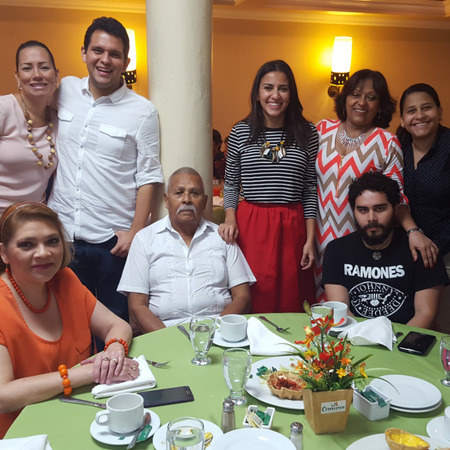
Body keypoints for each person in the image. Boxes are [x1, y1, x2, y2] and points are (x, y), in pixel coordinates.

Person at [48, 17, 163, 322]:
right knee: (67, 321)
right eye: (98, 50)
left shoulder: (143, 111)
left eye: (114, 54)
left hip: (113, 243)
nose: (105, 60)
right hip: (63, 236)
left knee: (115, 323)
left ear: (126, 62)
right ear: (84, 52)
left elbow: (149, 176)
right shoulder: (65, 90)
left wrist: (136, 232)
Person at [0, 202, 137, 438]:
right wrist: (88, 374)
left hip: (87, 416)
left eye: (52, 241)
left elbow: (117, 325)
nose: (43, 253)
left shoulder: (65, 280)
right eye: (27, 244)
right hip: (26, 434)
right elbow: (3, 396)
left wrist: (113, 351)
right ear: (4, 253)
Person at [315, 69, 438, 302]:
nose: (361, 102)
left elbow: (396, 196)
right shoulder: (321, 130)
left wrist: (413, 231)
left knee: (348, 309)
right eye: (355, 94)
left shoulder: (387, 142)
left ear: (380, 105)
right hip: (314, 238)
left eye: (371, 97)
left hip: (358, 243)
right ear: (345, 98)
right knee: (313, 311)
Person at [218, 60, 318, 313]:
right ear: (257, 93)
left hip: (292, 223)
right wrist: (230, 217)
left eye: (283, 88)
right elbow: (231, 184)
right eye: (268, 88)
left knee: (292, 295)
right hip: (252, 224)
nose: (275, 95)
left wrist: (310, 239)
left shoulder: (307, 132)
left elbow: (309, 188)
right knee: (254, 293)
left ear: (291, 94)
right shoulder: (241, 132)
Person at [118, 167, 255, 333]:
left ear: (205, 202)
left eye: (194, 193)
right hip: (164, 332)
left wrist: (217, 331)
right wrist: (168, 339)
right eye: (179, 193)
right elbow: (137, 305)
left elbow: (243, 297)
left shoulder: (222, 237)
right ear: (167, 201)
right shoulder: (144, 239)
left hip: (218, 331)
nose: (186, 200)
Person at [322, 173, 447, 328]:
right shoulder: (336, 250)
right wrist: (362, 338)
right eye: (363, 210)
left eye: (380, 209)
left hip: (407, 339)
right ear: (353, 211)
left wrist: (395, 340)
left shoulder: (422, 250)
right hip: (355, 337)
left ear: (395, 209)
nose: (371, 218)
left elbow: (425, 314)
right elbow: (341, 310)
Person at [397, 83, 450, 333]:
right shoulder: (397, 147)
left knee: (443, 328)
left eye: (426, 108)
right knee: (413, 326)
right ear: (402, 119)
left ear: (439, 111)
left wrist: (434, 246)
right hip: (406, 252)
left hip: (445, 253)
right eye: (411, 111)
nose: (419, 116)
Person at [0, 41, 59, 213]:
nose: (37, 75)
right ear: (17, 77)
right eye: (27, 68)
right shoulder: (4, 109)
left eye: (44, 67)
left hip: (34, 219)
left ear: (56, 74)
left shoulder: (58, 117)